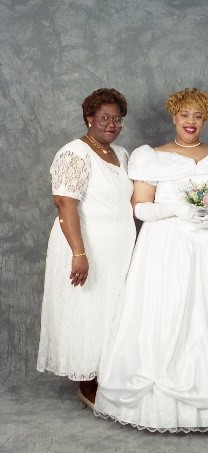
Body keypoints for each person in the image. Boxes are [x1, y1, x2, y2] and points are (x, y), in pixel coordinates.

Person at [94, 87, 208, 433]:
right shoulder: (151, 156)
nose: (190, 122)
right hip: (167, 248)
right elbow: (141, 208)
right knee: (168, 315)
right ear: (173, 117)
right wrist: (176, 209)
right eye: (184, 115)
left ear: (205, 119)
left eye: (197, 115)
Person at [37, 88, 136, 409]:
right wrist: (79, 254)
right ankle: (87, 381)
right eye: (104, 117)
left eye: (117, 119)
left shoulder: (121, 154)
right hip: (84, 247)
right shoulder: (74, 153)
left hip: (117, 250)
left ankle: (108, 373)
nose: (111, 124)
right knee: (88, 309)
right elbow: (65, 204)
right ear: (89, 118)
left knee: (113, 310)